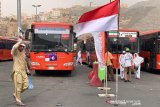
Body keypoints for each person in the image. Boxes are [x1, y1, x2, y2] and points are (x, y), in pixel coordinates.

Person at [11, 40, 30, 106]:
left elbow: (24, 61)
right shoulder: (15, 52)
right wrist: (20, 41)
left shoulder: (23, 52)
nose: (22, 48)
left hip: (23, 72)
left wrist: (27, 69)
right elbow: (14, 47)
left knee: (26, 85)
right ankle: (18, 101)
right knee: (18, 87)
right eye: (20, 46)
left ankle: (15, 94)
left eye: (23, 47)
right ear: (18, 46)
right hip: (17, 71)